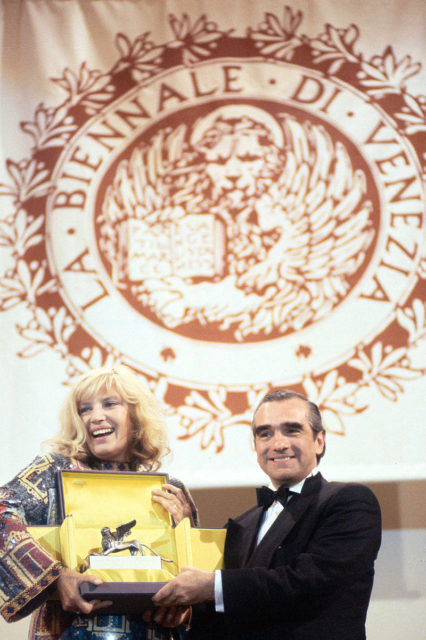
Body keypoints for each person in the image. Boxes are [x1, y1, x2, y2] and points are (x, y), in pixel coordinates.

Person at [151, 389, 382, 639]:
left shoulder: (350, 501)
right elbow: (234, 610)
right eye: (265, 434)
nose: (278, 444)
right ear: (255, 446)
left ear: (319, 441)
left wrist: (211, 585)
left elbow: (309, 583)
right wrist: (187, 613)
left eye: (292, 430)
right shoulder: (241, 524)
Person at [0, 365, 197, 640]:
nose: (95, 416)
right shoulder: (51, 471)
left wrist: (183, 609)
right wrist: (56, 578)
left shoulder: (170, 490)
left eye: (109, 404)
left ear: (135, 415)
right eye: (84, 409)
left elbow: (193, 586)